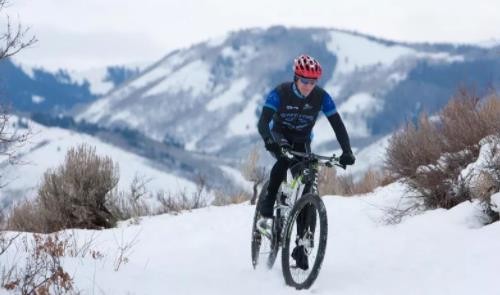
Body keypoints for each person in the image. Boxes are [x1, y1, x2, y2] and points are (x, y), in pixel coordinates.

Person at [256, 54, 355, 270]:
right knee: (283, 160)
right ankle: (266, 211)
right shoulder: (280, 93)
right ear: (296, 78)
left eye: (313, 82)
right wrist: (269, 141)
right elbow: (263, 122)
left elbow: (337, 124)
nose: (309, 86)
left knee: (309, 180)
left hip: (302, 142)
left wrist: (347, 151)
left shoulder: (321, 97)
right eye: (305, 82)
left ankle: (301, 247)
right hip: (279, 137)